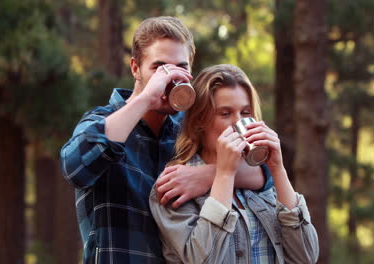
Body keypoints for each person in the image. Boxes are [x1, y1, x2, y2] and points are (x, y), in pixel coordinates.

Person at [60, 17, 264, 263]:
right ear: (135, 68)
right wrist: (146, 98)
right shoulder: (103, 122)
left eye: (180, 67)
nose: (170, 79)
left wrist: (209, 175)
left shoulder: (188, 129)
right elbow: (75, 168)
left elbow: (260, 174)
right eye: (159, 68)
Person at [149, 64, 320, 264]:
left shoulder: (262, 186)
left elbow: (306, 257)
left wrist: (277, 169)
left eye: (245, 113)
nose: (238, 124)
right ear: (199, 122)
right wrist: (224, 174)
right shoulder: (175, 186)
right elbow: (206, 260)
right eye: (225, 113)